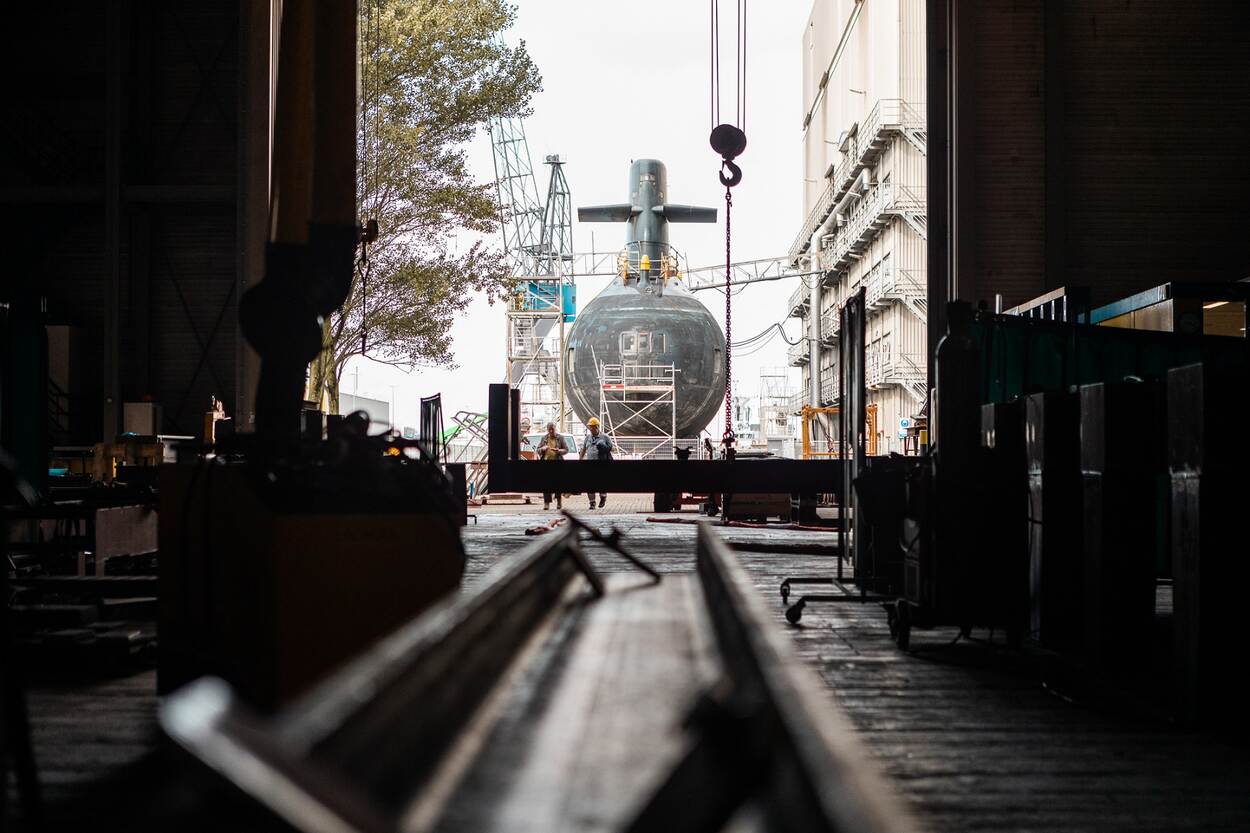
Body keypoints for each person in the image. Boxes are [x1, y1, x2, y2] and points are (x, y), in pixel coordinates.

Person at [579, 416, 612, 509]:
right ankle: (592, 502)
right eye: (589, 427)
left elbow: (610, 448)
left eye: (592, 427)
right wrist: (580, 459)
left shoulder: (605, 437)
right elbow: (583, 449)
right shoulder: (588, 438)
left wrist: (603, 447)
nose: (590, 429)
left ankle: (603, 497)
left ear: (597, 427)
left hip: (601, 465)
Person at [536, 422, 568, 511]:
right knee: (546, 483)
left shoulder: (560, 438)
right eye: (549, 429)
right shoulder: (544, 438)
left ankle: (559, 501)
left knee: (557, 483)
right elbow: (538, 450)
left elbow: (566, 450)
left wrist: (559, 451)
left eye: (552, 429)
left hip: (557, 463)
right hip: (546, 464)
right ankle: (547, 503)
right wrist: (542, 449)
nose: (551, 431)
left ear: (555, 429)